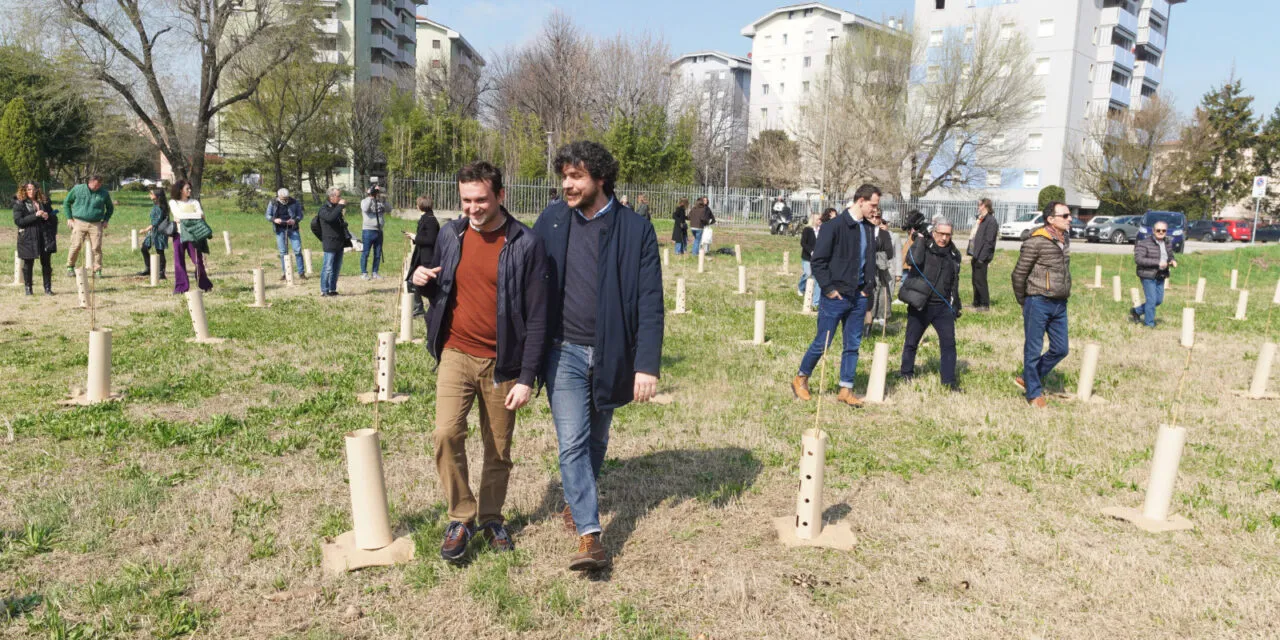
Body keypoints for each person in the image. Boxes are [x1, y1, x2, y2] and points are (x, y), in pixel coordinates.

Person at [533, 140, 664, 571]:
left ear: (600, 178)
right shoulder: (551, 221)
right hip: (563, 351)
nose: (567, 185)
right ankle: (591, 537)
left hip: (613, 353)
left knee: (597, 438)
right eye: (565, 177)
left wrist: (646, 364)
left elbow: (649, 300)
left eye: (576, 177)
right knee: (571, 441)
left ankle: (576, 498)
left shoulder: (635, 229)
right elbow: (524, 274)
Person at [411, 161, 548, 563]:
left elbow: (538, 316)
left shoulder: (525, 243)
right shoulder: (451, 234)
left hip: (503, 365)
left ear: (501, 196)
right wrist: (418, 278)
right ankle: (461, 515)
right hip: (455, 352)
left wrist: (526, 377)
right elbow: (440, 282)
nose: (473, 208)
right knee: (445, 435)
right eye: (466, 200)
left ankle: (490, 518)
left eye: (481, 200)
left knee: (498, 449)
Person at [791, 184, 880, 408]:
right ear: (860, 201)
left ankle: (846, 389)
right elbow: (818, 261)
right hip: (836, 297)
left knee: (852, 345)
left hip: (858, 297)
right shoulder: (834, 226)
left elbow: (870, 260)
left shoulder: (869, 228)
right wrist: (830, 290)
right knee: (823, 341)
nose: (875, 210)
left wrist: (867, 289)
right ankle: (801, 378)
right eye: (873, 205)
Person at [1012, 201, 1073, 408]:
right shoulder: (1036, 241)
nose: (1070, 219)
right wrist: (1024, 301)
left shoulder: (1065, 239)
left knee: (1061, 349)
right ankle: (1034, 393)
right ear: (1050, 219)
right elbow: (1018, 274)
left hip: (1059, 303)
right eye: (1065, 216)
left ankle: (1029, 377)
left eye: (1069, 215)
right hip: (1037, 301)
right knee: (1033, 349)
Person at [898, 220, 963, 390]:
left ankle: (949, 382)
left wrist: (956, 303)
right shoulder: (924, 246)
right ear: (934, 233)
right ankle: (906, 374)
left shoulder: (953, 254)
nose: (944, 237)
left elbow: (954, 282)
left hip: (942, 307)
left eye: (948, 234)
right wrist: (919, 238)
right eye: (940, 233)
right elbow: (911, 260)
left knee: (949, 344)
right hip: (921, 304)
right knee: (911, 342)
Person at [63, 175, 113, 277]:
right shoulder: (78, 189)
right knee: (76, 245)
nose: (97, 187)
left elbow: (110, 208)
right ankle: (70, 267)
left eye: (99, 185)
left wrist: (106, 220)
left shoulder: (104, 193)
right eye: (95, 185)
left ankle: (97, 270)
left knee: (96, 247)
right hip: (79, 222)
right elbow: (66, 202)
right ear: (89, 182)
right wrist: (69, 218)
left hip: (96, 223)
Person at [169, 180, 213, 294]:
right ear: (180, 190)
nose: (190, 191)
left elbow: (201, 215)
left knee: (198, 261)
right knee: (179, 262)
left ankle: (205, 284)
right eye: (187, 189)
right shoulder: (173, 202)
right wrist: (194, 216)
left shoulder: (194, 202)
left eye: (190, 188)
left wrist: (185, 217)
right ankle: (181, 288)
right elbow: (178, 214)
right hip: (178, 235)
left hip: (193, 235)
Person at [1130, 220, 1177, 327]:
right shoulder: (1144, 243)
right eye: (1158, 230)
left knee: (1158, 300)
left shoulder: (1167, 243)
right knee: (1151, 300)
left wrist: (1173, 260)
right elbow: (1138, 259)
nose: (1161, 232)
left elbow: (1170, 255)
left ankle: (1136, 311)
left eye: (1163, 230)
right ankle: (1149, 324)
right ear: (1153, 231)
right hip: (1147, 274)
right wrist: (1157, 263)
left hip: (1161, 275)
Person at [12, 182, 57, 295]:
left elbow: (53, 216)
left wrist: (48, 216)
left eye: (33, 189)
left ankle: (47, 288)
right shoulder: (19, 204)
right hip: (28, 236)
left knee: (46, 263)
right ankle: (28, 289)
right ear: (24, 190)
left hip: (44, 235)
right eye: (28, 189)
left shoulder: (44, 202)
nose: (31, 191)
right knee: (28, 263)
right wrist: (35, 215)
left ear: (37, 189)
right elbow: (19, 221)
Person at [405, 194, 441, 317]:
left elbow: (431, 240)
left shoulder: (430, 219)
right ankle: (419, 308)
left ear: (420, 206)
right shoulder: (426, 218)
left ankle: (420, 309)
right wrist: (414, 237)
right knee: (411, 281)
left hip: (427, 258)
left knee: (417, 282)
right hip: (421, 256)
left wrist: (416, 237)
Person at [316, 187, 351, 297]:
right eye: (338, 196)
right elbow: (330, 218)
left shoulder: (337, 209)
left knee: (336, 267)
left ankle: (332, 289)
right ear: (331, 197)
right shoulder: (323, 209)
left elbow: (337, 220)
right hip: (329, 242)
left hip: (339, 242)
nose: (340, 198)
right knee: (327, 267)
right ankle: (324, 290)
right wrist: (340, 206)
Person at [865, 208, 896, 328]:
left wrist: (874, 256)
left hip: (879, 270)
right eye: (871, 217)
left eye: (877, 217)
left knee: (881, 293)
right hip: (864, 269)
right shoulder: (862, 230)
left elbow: (889, 252)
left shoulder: (884, 234)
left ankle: (880, 317)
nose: (874, 219)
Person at [267, 188, 305, 280]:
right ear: (278, 196)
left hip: (293, 228)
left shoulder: (295, 202)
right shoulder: (273, 202)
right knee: (283, 252)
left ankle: (301, 273)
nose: (285, 200)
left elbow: (300, 215)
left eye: (286, 198)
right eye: (283, 198)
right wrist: (274, 220)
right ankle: (285, 273)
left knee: (297, 250)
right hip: (279, 229)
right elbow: (268, 215)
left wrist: (294, 220)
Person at [968, 198, 997, 310]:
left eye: (979, 205)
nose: (978, 207)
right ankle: (976, 303)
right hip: (976, 254)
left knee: (981, 281)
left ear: (985, 206)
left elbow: (989, 242)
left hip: (982, 257)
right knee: (975, 280)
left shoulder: (991, 221)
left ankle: (985, 304)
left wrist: (982, 258)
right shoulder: (981, 220)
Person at [797, 210, 830, 307]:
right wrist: (811, 251)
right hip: (807, 257)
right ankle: (801, 287)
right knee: (808, 273)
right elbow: (803, 243)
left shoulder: (822, 230)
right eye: (818, 219)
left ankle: (815, 302)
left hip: (817, 259)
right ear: (813, 220)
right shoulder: (807, 230)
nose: (820, 220)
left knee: (817, 278)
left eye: (820, 219)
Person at [136, 188, 169, 281]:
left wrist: (145, 230)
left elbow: (156, 222)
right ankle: (148, 268)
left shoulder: (160, 207)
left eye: (151, 193)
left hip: (159, 233)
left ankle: (161, 273)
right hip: (153, 232)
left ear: (157, 196)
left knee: (160, 251)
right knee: (144, 248)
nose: (149, 195)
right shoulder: (155, 204)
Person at [359, 186, 386, 279]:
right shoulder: (364, 201)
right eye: (375, 192)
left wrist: (383, 198)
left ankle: (375, 272)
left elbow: (390, 208)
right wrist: (371, 197)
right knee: (366, 252)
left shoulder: (380, 202)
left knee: (377, 253)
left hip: (379, 231)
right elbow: (365, 209)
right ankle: (364, 273)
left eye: (377, 192)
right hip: (368, 230)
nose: (376, 194)